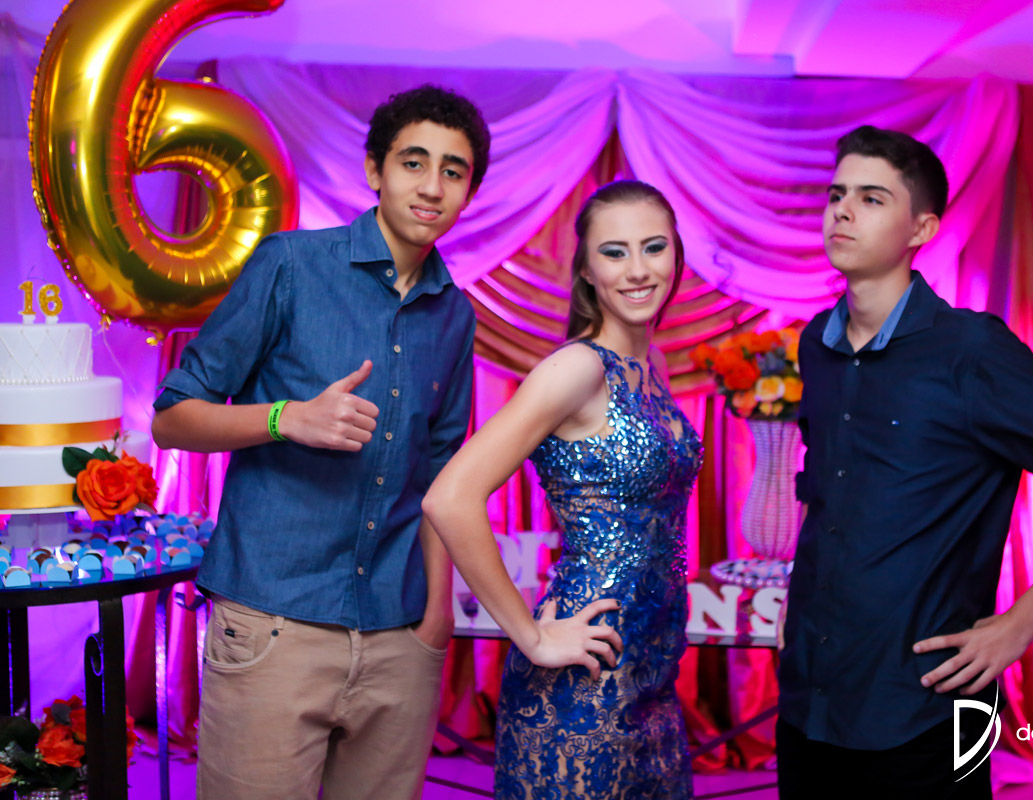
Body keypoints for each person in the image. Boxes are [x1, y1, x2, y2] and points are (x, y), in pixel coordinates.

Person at [775, 125, 1033, 798]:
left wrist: (1020, 624)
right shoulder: (817, 346)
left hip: (933, 699)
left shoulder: (970, 350)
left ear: (921, 229)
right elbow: (830, 496)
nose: (842, 211)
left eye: (871, 198)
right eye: (837, 195)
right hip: (813, 691)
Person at [151, 85, 490, 800]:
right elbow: (173, 417)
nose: (432, 186)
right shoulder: (291, 265)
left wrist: (436, 616)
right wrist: (285, 419)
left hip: (400, 632)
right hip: (275, 622)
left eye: (453, 171)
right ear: (375, 170)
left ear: (469, 192)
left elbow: (442, 474)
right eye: (413, 162)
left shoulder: (455, 315)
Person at [423, 180, 702, 799]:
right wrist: (531, 636)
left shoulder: (652, 371)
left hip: (653, 676)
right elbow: (449, 497)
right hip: (585, 679)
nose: (638, 270)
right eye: (614, 252)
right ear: (586, 272)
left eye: (654, 247)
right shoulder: (578, 368)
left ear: (677, 256)